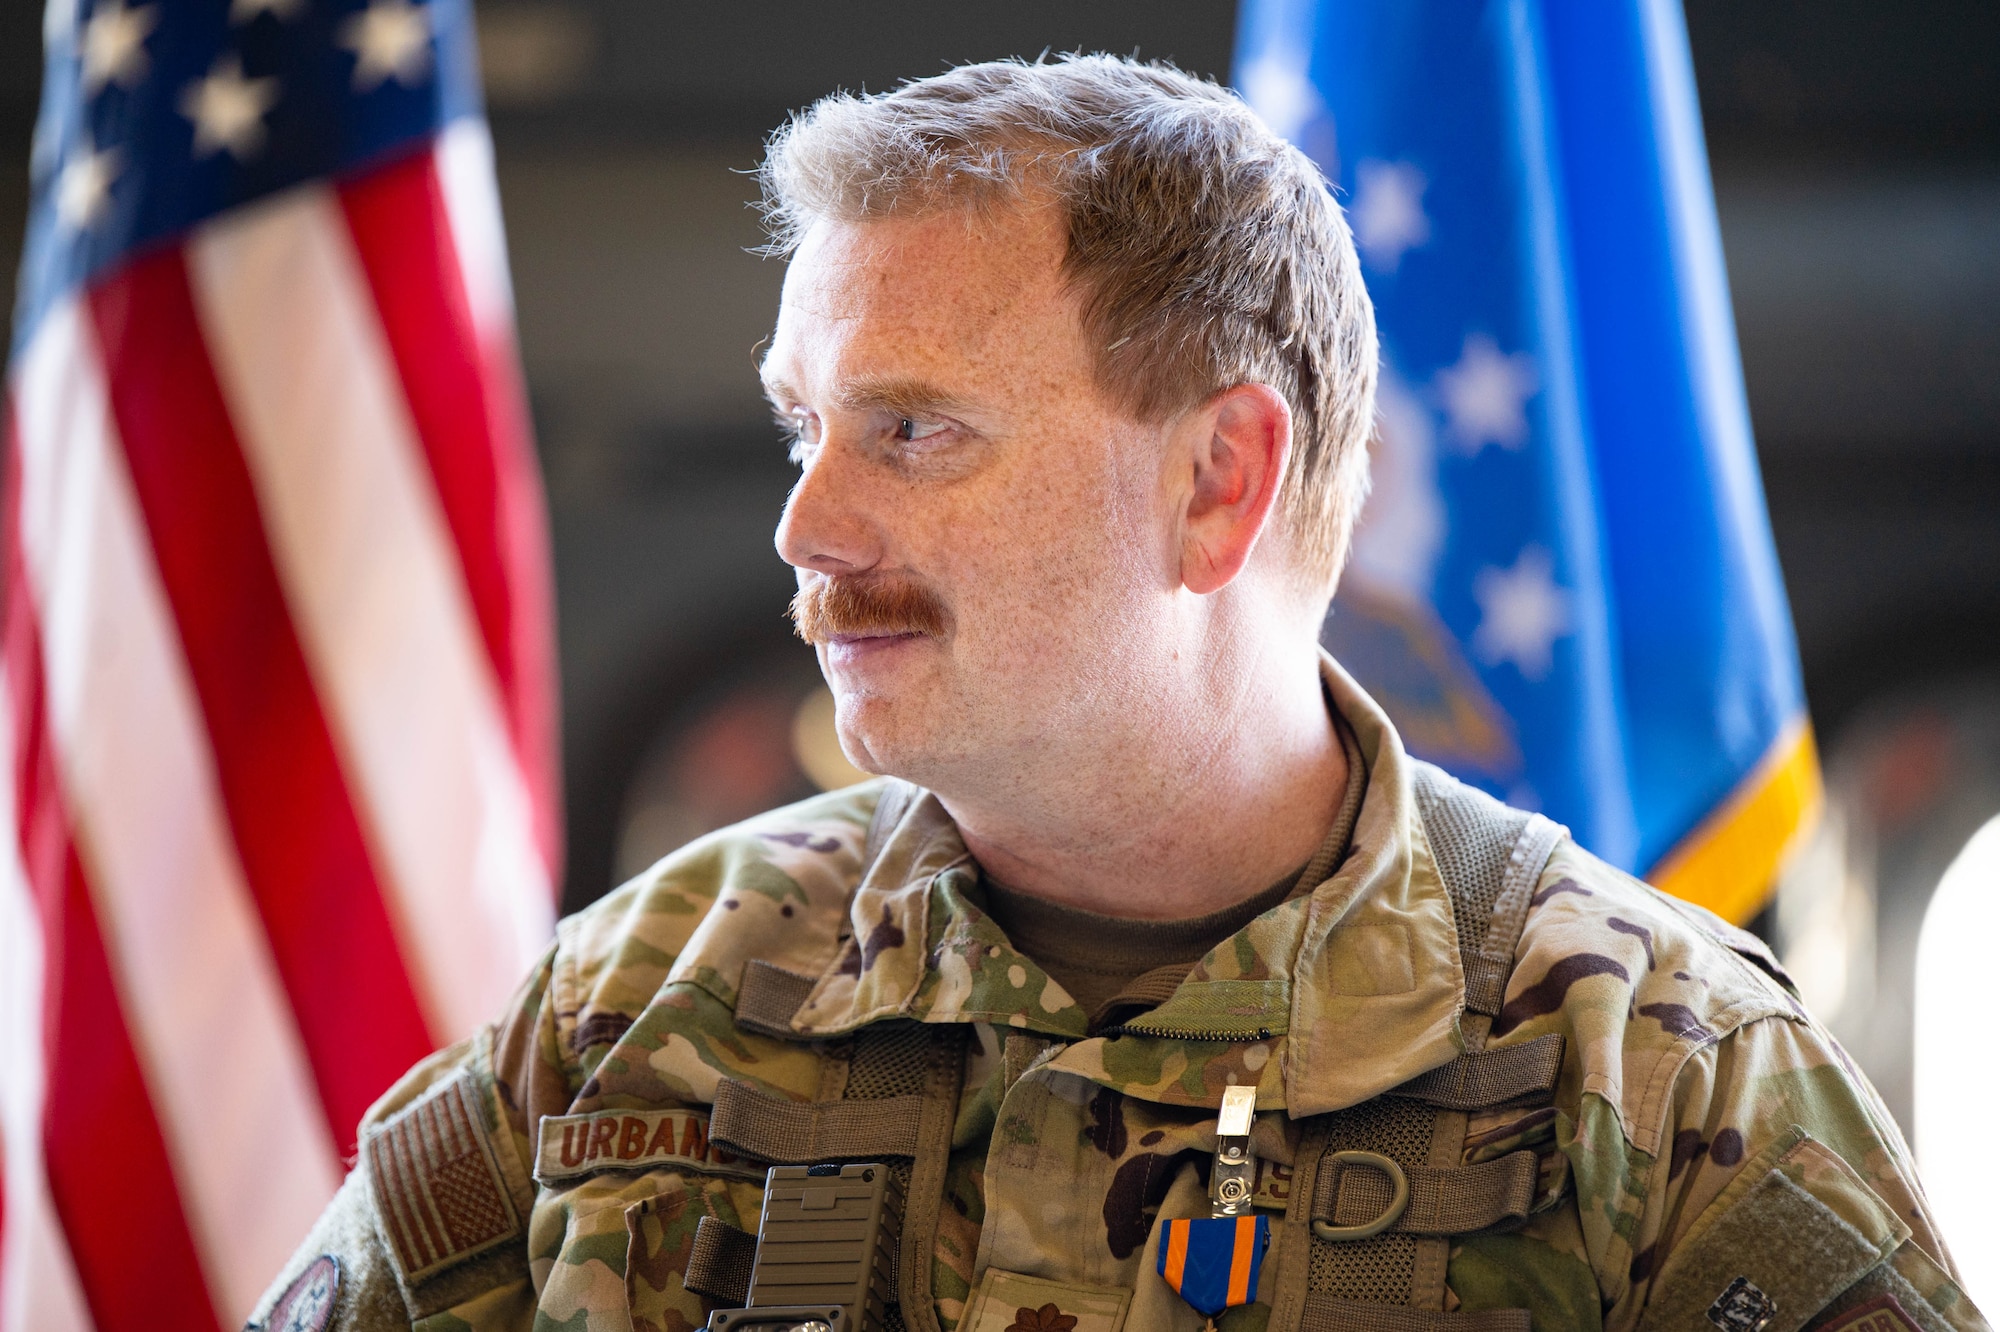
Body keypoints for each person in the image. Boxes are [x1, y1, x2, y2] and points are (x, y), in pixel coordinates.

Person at [253, 56, 1983, 1332]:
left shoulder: (1657, 1078)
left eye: (913, 430)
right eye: (807, 427)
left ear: (1221, 483)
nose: (808, 525)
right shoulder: (638, 1001)